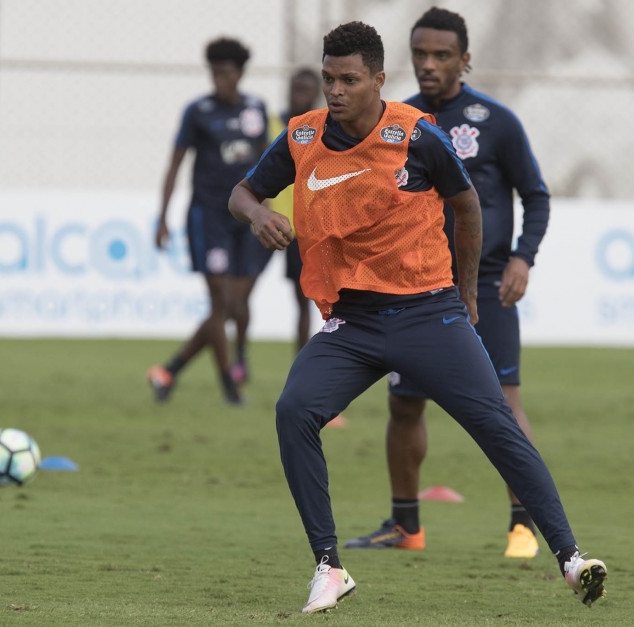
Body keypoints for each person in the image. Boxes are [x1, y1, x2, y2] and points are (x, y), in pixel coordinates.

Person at [228, 21, 607, 614]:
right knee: (294, 410)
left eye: (348, 80)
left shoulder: (417, 136)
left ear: (378, 80)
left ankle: (570, 558)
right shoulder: (302, 135)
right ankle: (328, 567)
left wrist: (464, 294)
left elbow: (467, 205)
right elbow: (242, 192)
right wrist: (256, 215)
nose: (335, 90)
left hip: (428, 313)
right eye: (328, 78)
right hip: (352, 323)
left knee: (497, 423)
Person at [344, 7, 550, 559]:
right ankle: (405, 526)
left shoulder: (497, 121)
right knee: (405, 406)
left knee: (503, 404)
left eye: (441, 55)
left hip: (486, 284)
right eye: (419, 54)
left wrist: (522, 259)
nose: (428, 65)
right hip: (414, 285)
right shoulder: (395, 120)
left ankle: (523, 526)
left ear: (465, 58)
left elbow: (535, 194)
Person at [147, 37, 272, 405]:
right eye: (215, 73)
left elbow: (268, 164)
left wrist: (265, 211)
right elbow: (175, 164)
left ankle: (170, 370)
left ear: (240, 74)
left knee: (235, 305)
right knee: (220, 303)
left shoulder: (256, 109)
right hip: (209, 216)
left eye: (227, 73)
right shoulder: (198, 111)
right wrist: (163, 218)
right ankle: (229, 387)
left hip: (245, 215)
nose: (220, 80)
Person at [268, 68, 323, 352]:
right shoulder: (272, 124)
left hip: (301, 230)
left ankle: (300, 365)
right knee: (235, 297)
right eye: (295, 87)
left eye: (306, 89)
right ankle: (239, 362)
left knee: (303, 301)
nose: (299, 93)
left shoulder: (324, 131)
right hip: (265, 225)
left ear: (316, 93)